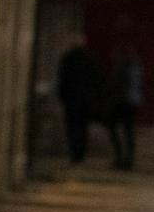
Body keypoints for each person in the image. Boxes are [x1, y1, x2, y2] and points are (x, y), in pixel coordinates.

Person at [55, 32, 102, 164]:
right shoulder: (89, 59)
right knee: (82, 127)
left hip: (72, 100)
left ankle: (75, 153)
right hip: (84, 100)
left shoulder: (68, 58)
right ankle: (80, 153)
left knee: (73, 127)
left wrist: (62, 96)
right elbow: (95, 80)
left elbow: (63, 79)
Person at [107, 44, 143, 170]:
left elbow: (118, 84)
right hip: (130, 101)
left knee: (118, 128)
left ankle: (122, 158)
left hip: (123, 102)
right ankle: (127, 158)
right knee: (127, 130)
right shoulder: (135, 65)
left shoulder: (126, 65)